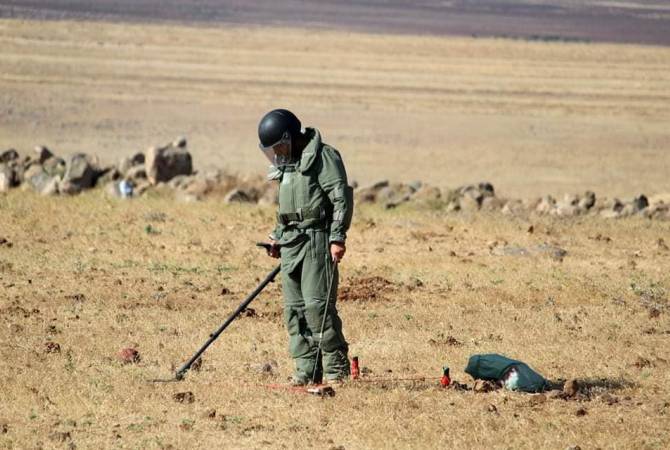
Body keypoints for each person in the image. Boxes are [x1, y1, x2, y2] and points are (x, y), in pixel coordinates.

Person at [257, 108, 353, 385]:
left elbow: (340, 199)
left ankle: (336, 372)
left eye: (277, 146)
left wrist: (337, 237)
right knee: (295, 310)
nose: (275, 154)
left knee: (317, 308)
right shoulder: (287, 166)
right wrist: (276, 238)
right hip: (291, 245)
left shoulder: (324, 157)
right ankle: (306, 371)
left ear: (289, 138)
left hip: (317, 242)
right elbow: (285, 211)